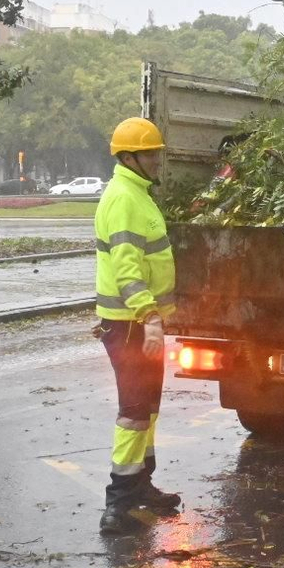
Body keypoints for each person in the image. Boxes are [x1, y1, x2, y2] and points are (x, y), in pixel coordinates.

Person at [94, 117, 181, 535]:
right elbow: (127, 269)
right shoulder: (125, 199)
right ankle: (119, 503)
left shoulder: (139, 194)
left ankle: (142, 486)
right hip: (130, 325)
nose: (158, 161)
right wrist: (147, 315)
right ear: (129, 157)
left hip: (142, 323)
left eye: (158, 153)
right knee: (133, 413)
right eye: (151, 154)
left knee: (147, 409)